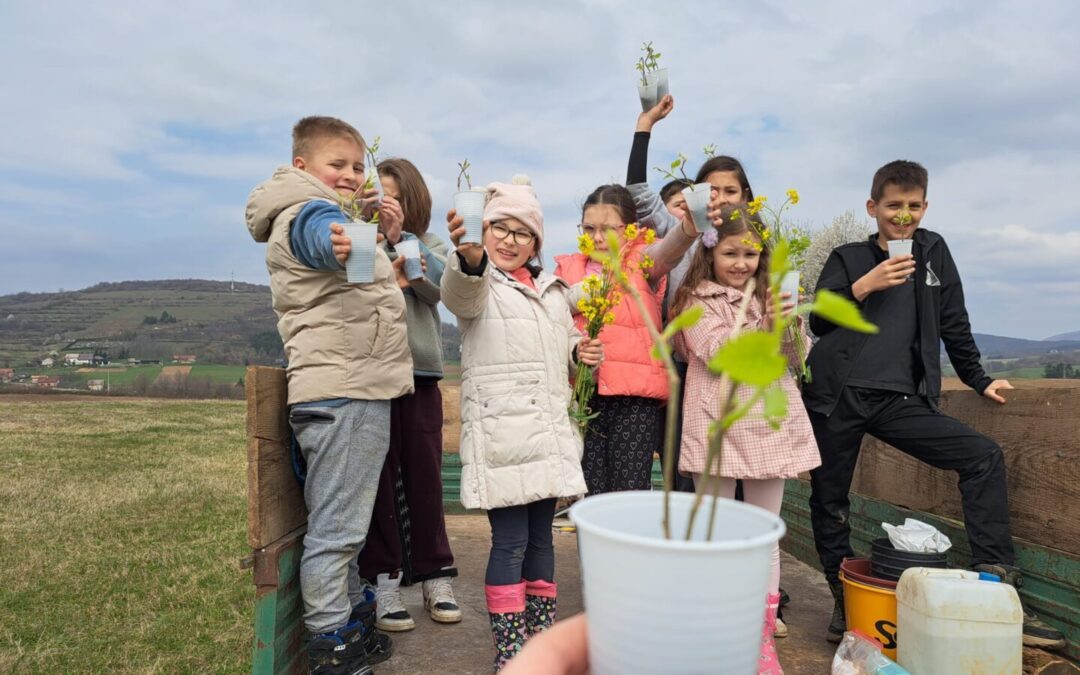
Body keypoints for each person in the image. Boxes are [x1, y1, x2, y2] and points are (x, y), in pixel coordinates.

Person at [802, 159, 1065, 649]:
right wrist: (865, 285)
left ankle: (995, 584)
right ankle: (844, 598)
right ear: (872, 207)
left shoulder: (934, 252)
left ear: (924, 206)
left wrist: (977, 378)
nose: (903, 215)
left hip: (901, 398)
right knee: (829, 501)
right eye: (893, 206)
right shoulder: (847, 256)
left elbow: (954, 322)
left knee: (982, 456)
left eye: (913, 206)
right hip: (837, 397)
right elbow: (818, 320)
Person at [245, 116, 413, 674]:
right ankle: (330, 643)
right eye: (336, 165)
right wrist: (343, 240)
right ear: (302, 168)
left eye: (358, 166)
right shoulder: (307, 212)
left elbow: (352, 282)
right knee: (338, 529)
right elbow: (322, 242)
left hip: (347, 387)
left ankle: (350, 619)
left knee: (344, 522)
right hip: (345, 390)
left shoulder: (332, 213)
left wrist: (376, 234)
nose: (349, 175)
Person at [440, 176, 603, 671]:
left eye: (521, 232)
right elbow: (461, 293)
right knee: (508, 543)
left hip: (548, 436)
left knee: (542, 541)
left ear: (536, 242)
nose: (509, 240)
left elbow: (560, 350)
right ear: (483, 231)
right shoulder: (482, 283)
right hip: (505, 439)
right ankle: (510, 654)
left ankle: (540, 645)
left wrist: (580, 352)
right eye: (499, 228)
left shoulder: (553, 291)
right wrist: (468, 257)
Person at [672, 204, 821, 674]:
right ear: (711, 254)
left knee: (764, 537)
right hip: (716, 426)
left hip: (767, 431)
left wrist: (789, 322)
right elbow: (719, 353)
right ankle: (713, 634)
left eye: (751, 255)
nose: (741, 263)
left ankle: (759, 643)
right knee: (714, 536)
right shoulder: (694, 301)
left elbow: (796, 359)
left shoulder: (770, 298)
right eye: (731, 253)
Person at [626, 94, 757, 496]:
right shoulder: (679, 227)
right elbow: (636, 192)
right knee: (688, 473)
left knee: (742, 470)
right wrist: (644, 125)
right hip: (685, 370)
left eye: (730, 191)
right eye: (711, 190)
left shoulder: (757, 244)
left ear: (746, 197)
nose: (720, 198)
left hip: (741, 372)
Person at [355, 157, 463, 633]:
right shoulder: (360, 242)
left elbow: (439, 289)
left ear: (412, 200)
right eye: (378, 196)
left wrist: (401, 241)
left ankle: (435, 575)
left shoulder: (428, 243)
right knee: (380, 479)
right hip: (372, 375)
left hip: (419, 373)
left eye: (393, 197)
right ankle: (384, 581)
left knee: (425, 475)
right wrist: (374, 240)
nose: (385, 205)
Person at [555, 184, 698, 494]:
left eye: (607, 230)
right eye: (588, 228)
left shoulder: (641, 261)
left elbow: (668, 251)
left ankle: (628, 545)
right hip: (584, 395)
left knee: (628, 490)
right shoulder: (567, 268)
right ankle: (591, 546)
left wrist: (687, 228)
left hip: (634, 399)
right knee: (588, 492)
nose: (595, 238)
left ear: (630, 230)